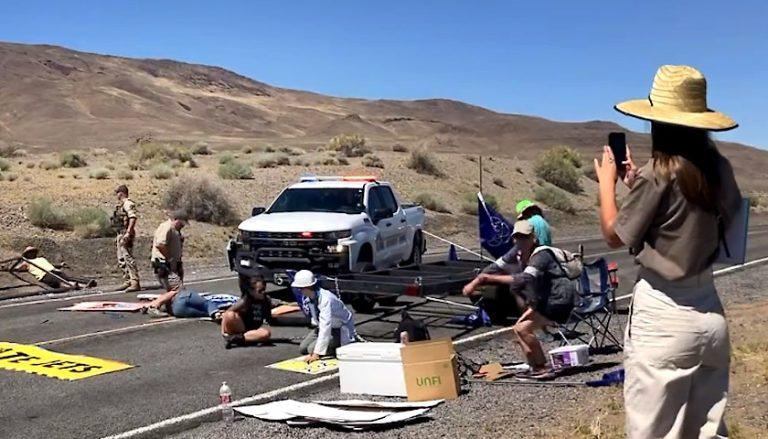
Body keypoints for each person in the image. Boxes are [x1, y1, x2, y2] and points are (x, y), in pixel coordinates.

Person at [594, 65, 742, 438]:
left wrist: (607, 186)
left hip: (664, 315)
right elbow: (683, 216)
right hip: (710, 313)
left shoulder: (659, 171)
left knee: (654, 431)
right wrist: (636, 185)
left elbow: (614, 235)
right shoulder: (719, 169)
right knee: (708, 431)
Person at [466, 220, 577, 378]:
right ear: (513, 239)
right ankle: (534, 367)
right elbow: (495, 267)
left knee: (523, 329)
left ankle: (542, 367)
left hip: (559, 299)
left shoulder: (541, 255)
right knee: (518, 329)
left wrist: (488, 278)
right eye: (517, 237)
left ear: (533, 237)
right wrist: (477, 280)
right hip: (544, 300)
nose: (521, 241)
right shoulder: (516, 252)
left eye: (524, 237)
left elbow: (525, 278)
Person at [292, 270, 357, 363]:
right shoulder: (310, 297)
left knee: (311, 350)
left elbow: (325, 326)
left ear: (307, 287)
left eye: (300, 288)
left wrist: (316, 354)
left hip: (339, 329)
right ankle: (326, 347)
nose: (299, 290)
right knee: (303, 348)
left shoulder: (326, 299)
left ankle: (338, 347)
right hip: (324, 327)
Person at [220, 275, 275, 349]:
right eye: (260, 291)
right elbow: (226, 313)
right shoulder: (245, 301)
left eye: (264, 289)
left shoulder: (266, 300)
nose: (263, 292)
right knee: (230, 315)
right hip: (240, 328)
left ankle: (235, 339)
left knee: (266, 333)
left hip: (252, 331)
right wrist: (223, 332)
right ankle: (237, 338)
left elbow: (269, 319)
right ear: (251, 291)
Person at [143, 274, 223, 319]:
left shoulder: (168, 304)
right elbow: (173, 292)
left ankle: (216, 314)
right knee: (208, 303)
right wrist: (154, 305)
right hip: (183, 298)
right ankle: (216, 314)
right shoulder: (177, 291)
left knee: (204, 312)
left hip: (177, 311)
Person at [15, 246, 96, 289]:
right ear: (27, 254)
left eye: (33, 252)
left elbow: (50, 265)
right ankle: (80, 287)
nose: (32, 253)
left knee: (67, 277)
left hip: (53, 270)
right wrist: (6, 268)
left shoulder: (41, 258)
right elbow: (18, 268)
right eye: (30, 252)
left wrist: (60, 265)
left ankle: (87, 282)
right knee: (60, 282)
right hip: (45, 275)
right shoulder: (26, 262)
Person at [112, 185, 140, 292]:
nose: (117, 195)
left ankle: (134, 282)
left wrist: (128, 232)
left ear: (121, 193)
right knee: (121, 259)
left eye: (117, 193)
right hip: (120, 233)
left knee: (128, 258)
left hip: (125, 233)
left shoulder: (128, 203)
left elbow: (132, 217)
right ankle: (127, 280)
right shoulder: (121, 205)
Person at [151, 210, 187, 292]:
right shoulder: (166, 227)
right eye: (182, 223)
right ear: (177, 220)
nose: (183, 226)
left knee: (174, 292)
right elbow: (160, 245)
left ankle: (171, 304)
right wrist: (170, 259)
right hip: (165, 265)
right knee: (177, 291)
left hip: (174, 265)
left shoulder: (175, 230)